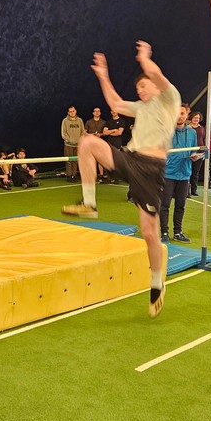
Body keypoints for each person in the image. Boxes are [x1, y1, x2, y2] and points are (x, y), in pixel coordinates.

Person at [62, 40, 181, 318]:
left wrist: (145, 58)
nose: (141, 91)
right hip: (130, 158)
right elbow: (115, 102)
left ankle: (156, 282)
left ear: (155, 86)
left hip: (150, 170)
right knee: (87, 143)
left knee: (149, 233)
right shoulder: (141, 108)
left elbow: (157, 74)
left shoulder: (169, 99)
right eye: (138, 89)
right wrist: (103, 75)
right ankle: (89, 203)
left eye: (144, 86)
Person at [160, 105, 200, 243]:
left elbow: (194, 149)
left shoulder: (192, 132)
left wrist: (194, 155)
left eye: (182, 113)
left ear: (187, 115)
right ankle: (164, 232)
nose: (179, 116)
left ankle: (178, 232)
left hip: (185, 174)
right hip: (168, 173)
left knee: (180, 205)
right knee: (165, 204)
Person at [61, 106, 85, 180]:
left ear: (76, 111)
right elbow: (63, 133)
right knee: (68, 161)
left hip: (78, 145)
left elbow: (82, 131)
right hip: (68, 145)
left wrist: (80, 140)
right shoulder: (65, 121)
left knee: (75, 160)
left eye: (73, 111)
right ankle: (69, 175)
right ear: (68, 113)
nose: (72, 113)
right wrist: (69, 140)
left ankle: (74, 175)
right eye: (70, 111)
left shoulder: (80, 120)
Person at [102, 110, 125, 183]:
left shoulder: (121, 121)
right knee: (108, 160)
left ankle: (116, 178)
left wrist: (109, 132)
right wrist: (114, 130)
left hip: (117, 143)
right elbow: (104, 132)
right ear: (111, 112)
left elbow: (119, 133)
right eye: (112, 111)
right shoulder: (108, 121)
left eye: (115, 110)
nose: (113, 112)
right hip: (109, 143)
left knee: (116, 160)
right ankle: (109, 177)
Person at [85, 107, 106, 181]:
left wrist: (100, 134)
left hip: (100, 143)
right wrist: (92, 135)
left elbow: (105, 133)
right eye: (95, 111)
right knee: (91, 160)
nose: (97, 112)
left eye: (98, 111)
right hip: (91, 144)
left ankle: (101, 175)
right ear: (93, 113)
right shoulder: (88, 122)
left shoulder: (104, 122)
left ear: (100, 113)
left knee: (100, 160)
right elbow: (84, 133)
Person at [188, 111, 205, 196]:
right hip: (189, 152)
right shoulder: (187, 128)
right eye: (195, 117)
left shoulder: (201, 128)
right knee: (188, 171)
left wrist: (204, 151)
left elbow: (204, 138)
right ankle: (186, 191)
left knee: (195, 172)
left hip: (200, 153)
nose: (196, 119)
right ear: (191, 118)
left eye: (198, 118)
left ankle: (194, 190)